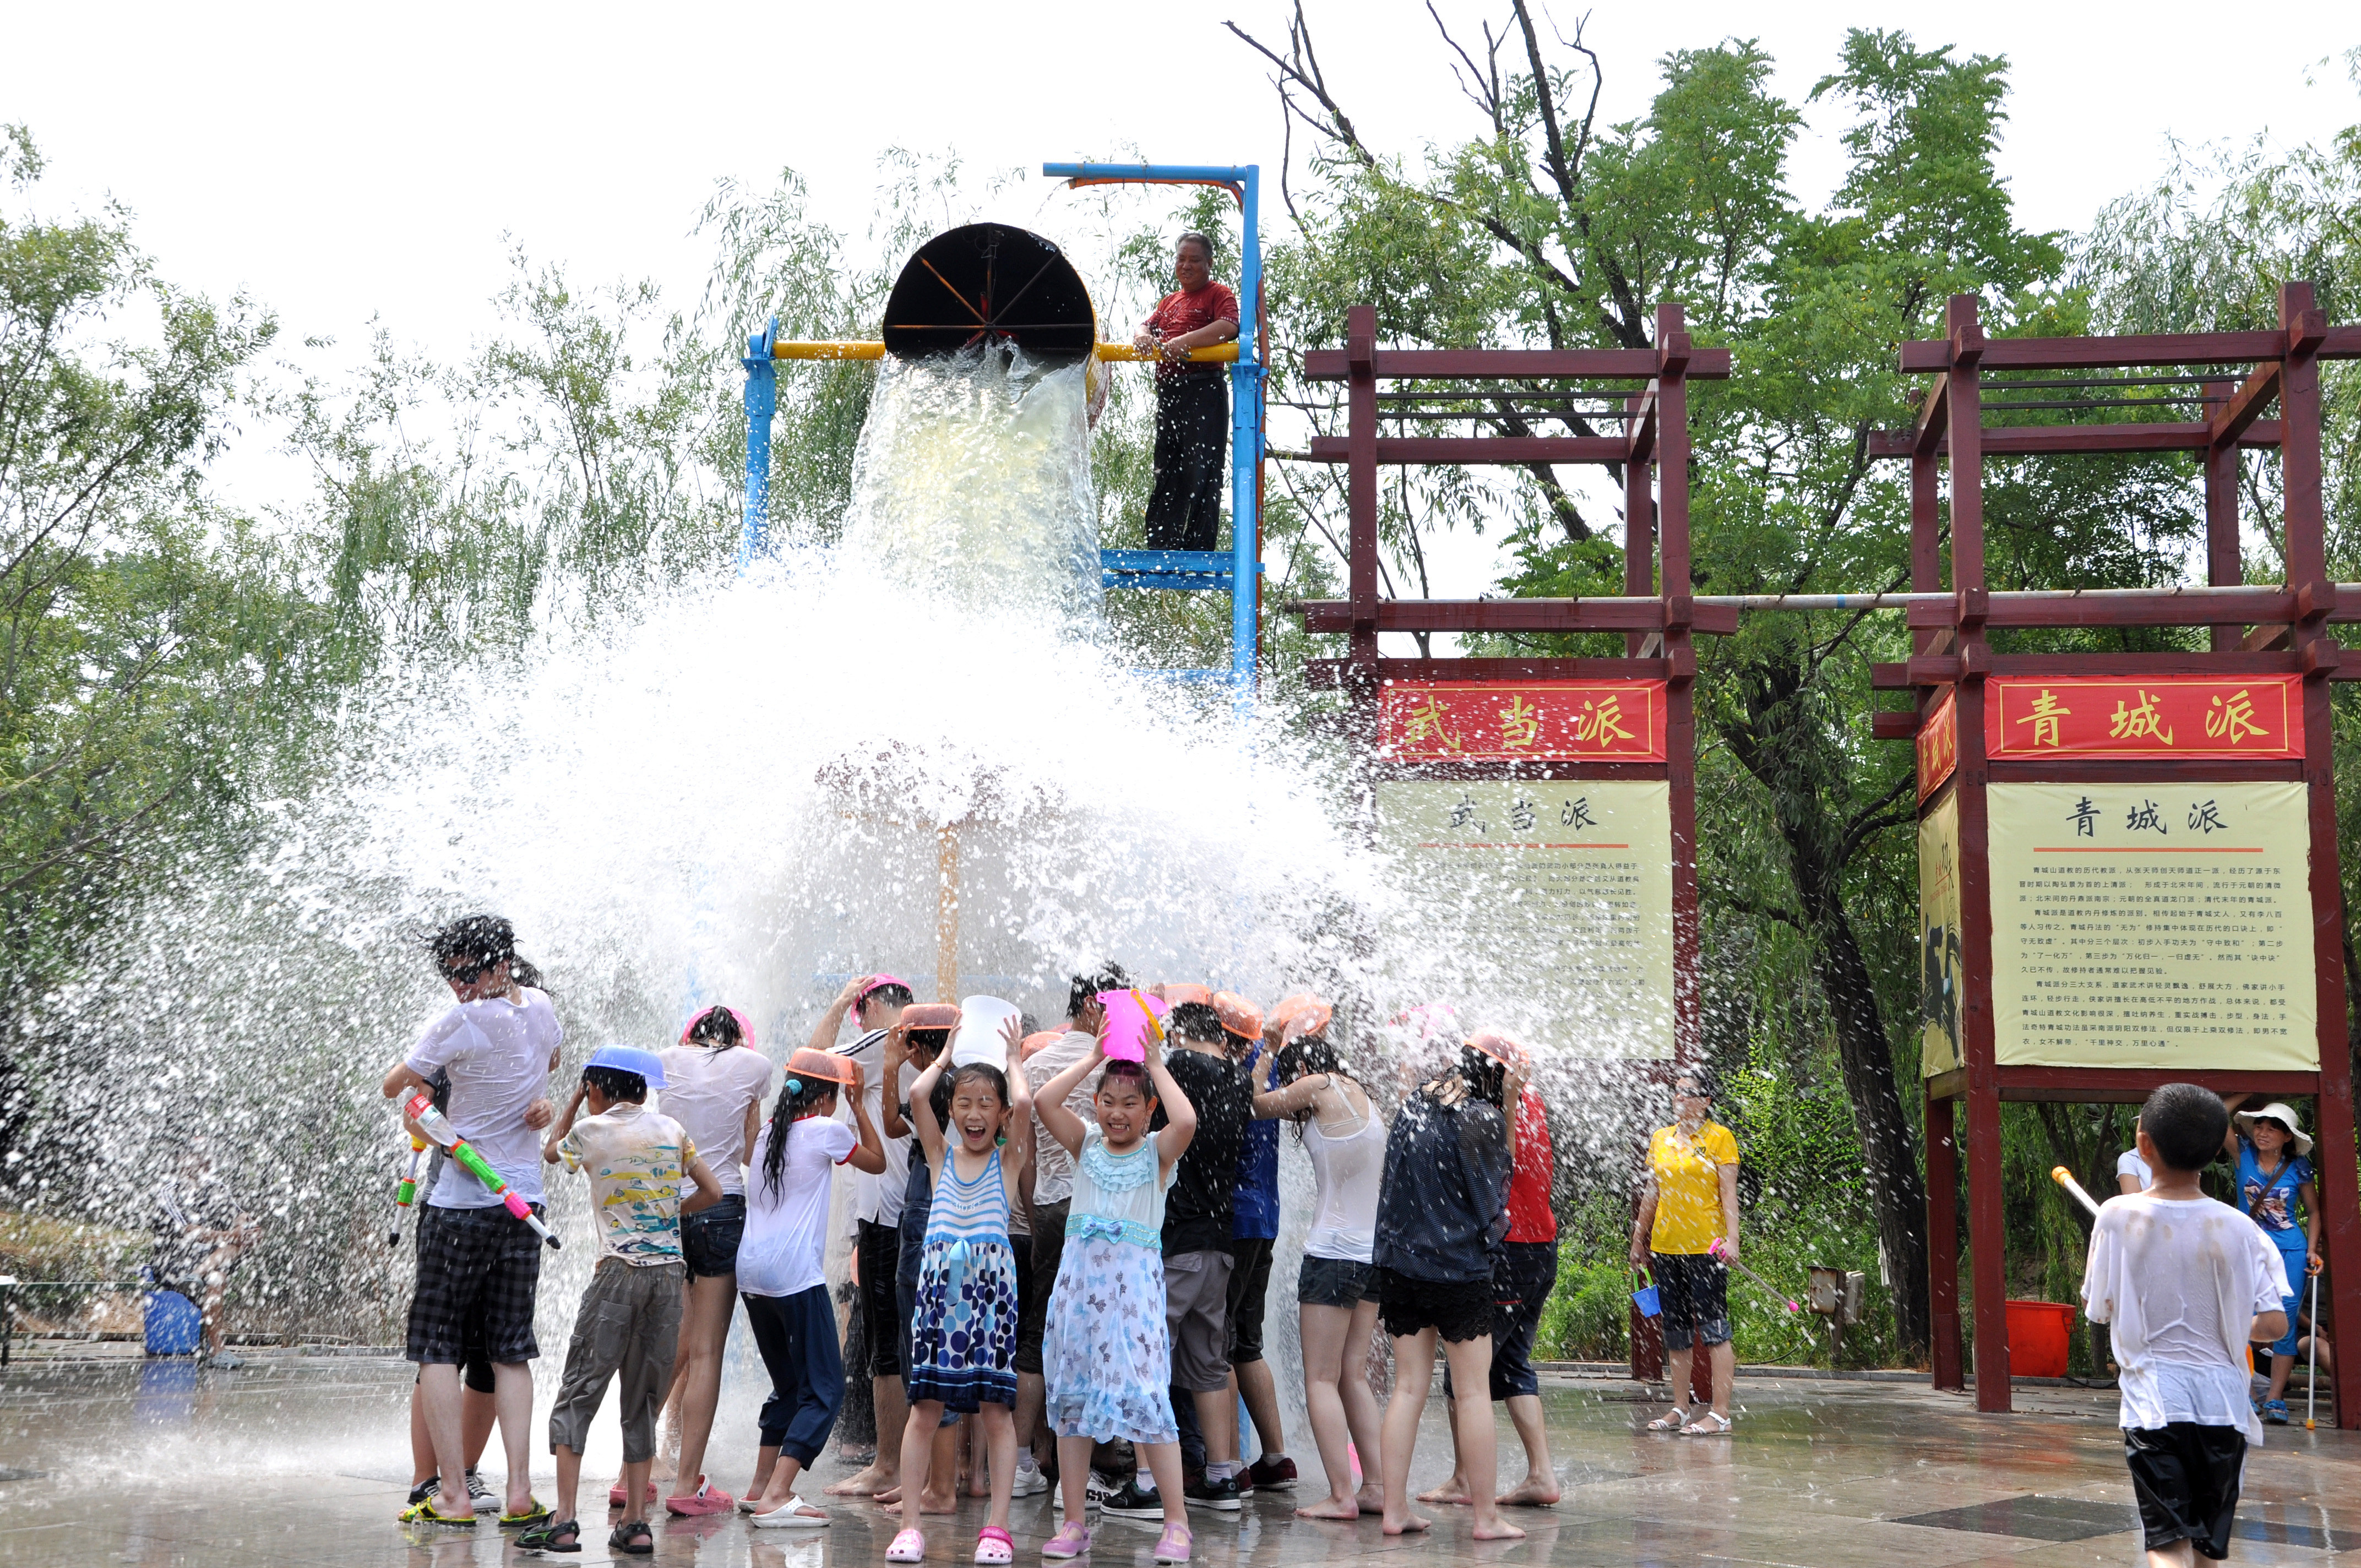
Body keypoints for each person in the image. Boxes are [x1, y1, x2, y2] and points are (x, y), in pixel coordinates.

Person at [382, 914, 562, 1529]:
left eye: (466, 972)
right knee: (510, 1349)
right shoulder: (540, 1007)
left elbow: (393, 1087)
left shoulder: (459, 1023)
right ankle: (507, 1491)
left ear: (500, 966)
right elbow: (553, 1058)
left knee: (440, 1347)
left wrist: (530, 1101)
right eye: (449, 974)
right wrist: (531, 1100)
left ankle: (452, 1492)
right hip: (522, 1205)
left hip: (461, 1206)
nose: (456, 984)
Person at [523, 1046, 723, 1555]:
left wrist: (570, 1102)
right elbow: (715, 1192)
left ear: (596, 1089)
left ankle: (565, 1521)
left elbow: (550, 1153)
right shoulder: (672, 1130)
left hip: (617, 1273)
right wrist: (670, 1215)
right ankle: (635, 1524)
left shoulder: (590, 1132)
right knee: (643, 1400)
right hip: (667, 1278)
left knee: (579, 1392)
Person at [2082, 1084, 2289, 1568]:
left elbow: (2099, 1308)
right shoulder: (2242, 1229)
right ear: (2219, 1148)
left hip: (2155, 1406)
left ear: (2144, 1144)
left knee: (2167, 1547)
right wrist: (2235, 1324)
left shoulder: (2117, 1216)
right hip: (2226, 1410)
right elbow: (2275, 1324)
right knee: (2205, 1553)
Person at [1035, 1023, 1199, 1566]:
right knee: (1073, 1406)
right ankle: (1074, 1521)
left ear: (1148, 1108)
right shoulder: (1084, 1143)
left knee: (1150, 1401)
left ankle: (1176, 1523)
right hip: (1079, 1298)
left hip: (1132, 1304)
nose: (1117, 1112)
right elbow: (1043, 1099)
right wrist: (1092, 1058)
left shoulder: (1157, 1153)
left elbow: (1188, 1120)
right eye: (1108, 1101)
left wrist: (1154, 1063)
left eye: (1130, 1103)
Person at [885, 1019, 1033, 1566]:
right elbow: (919, 1093)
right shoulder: (939, 1156)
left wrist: (1014, 1059)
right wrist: (946, 1054)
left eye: (985, 1104)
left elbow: (1025, 1102)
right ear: (953, 1112)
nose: (974, 1113)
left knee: (996, 1411)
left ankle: (996, 1528)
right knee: (925, 1408)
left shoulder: (1007, 1160)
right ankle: (909, 1525)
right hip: (940, 1298)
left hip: (990, 1298)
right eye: (965, 1103)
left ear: (999, 1116)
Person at [1098, 997, 1251, 1519]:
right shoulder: (1236, 1076)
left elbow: (1141, 1108)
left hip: (1176, 1243)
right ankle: (1222, 1476)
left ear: (1175, 1033)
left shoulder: (1176, 1068)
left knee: (1145, 1361)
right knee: (1209, 1363)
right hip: (1220, 1246)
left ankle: (1145, 1482)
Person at [1370, 1035, 1524, 1542]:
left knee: (1408, 1388)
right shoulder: (1480, 1114)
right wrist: (1508, 1104)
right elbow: (1498, 1186)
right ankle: (1486, 1518)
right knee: (1475, 1392)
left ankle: (1393, 1510)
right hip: (1459, 1271)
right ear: (1499, 1076)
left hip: (1403, 1266)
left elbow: (1392, 1184)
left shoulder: (1418, 1100)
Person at [737, 1046, 886, 1528]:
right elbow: (878, 1162)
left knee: (788, 1385)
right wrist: (861, 1106)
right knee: (824, 1389)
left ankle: (759, 1487)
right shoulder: (826, 1130)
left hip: (752, 1275)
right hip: (795, 1276)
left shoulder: (765, 1136)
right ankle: (779, 1493)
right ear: (827, 1099)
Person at [640, 1003, 776, 1516]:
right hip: (721, 1208)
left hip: (670, 1207)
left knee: (667, 1342)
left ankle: (629, 1472)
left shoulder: (663, 1060)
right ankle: (685, 1485)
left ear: (691, 1034)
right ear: (738, 1037)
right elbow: (748, 1149)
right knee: (705, 1353)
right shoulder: (754, 1066)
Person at [1250, 1007, 1385, 1520]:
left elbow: (1254, 1105)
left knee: (1320, 1380)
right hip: (1371, 1258)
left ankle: (1341, 1496)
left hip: (1331, 1255)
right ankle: (1374, 1485)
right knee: (1354, 1376)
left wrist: (1266, 1050)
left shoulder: (1316, 1086)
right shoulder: (1362, 1096)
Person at [1421, 1032, 1562, 1510]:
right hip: (1541, 1247)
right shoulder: (1530, 1099)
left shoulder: (1499, 1113)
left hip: (1512, 1253)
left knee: (1464, 1372)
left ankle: (1464, 1478)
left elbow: (1502, 1168)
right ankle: (1541, 1475)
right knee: (1512, 1364)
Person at [813, 974, 917, 1502]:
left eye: (859, 1013)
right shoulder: (924, 1044)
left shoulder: (882, 1043)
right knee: (905, 1341)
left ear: (872, 1006)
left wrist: (836, 1003)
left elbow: (811, 1059)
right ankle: (914, 1466)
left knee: (886, 1345)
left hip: (888, 1215)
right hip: (916, 1212)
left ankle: (889, 1465)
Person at [1019, 967, 1123, 1495]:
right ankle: (1095, 1458)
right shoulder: (1117, 1069)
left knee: (1040, 1330)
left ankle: (1023, 1456)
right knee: (1095, 1334)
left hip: (1049, 1209)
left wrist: (1035, 1215)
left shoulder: (1038, 1064)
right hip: (1098, 1215)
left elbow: (1028, 1162)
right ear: (1094, 1007)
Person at [873, 1003, 964, 1519]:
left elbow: (890, 1121)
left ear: (918, 1046)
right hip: (945, 1225)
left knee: (926, 1356)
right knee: (935, 1355)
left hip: (927, 1225)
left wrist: (890, 1070)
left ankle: (939, 1489)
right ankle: (933, 1483)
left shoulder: (937, 1085)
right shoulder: (961, 1084)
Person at [1629, 1070, 1739, 1436]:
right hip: (1666, 1248)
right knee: (1675, 1331)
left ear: (1706, 1101)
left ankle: (1720, 1413)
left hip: (1706, 1249)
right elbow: (1652, 1192)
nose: (1680, 1098)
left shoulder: (1720, 1139)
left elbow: (1728, 1195)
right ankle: (1680, 1407)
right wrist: (1638, 1240)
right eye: (1677, 1092)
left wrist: (1732, 1240)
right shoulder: (1662, 1138)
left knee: (1714, 1330)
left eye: (1689, 1093)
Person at [1215, 990, 1293, 1496]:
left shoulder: (1236, 1077)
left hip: (1236, 1221)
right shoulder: (1272, 1073)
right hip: (1265, 1220)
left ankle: (1228, 1465)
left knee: (1215, 1346)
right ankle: (1276, 1458)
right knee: (1247, 1342)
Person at [1132, 232, 1239, 552]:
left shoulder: (1219, 293)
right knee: (1167, 467)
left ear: (1209, 263)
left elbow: (1230, 327)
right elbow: (1145, 325)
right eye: (1181, 259)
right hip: (1170, 392)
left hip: (1203, 388)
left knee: (1201, 467)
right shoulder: (1169, 301)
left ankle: (1198, 546)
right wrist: (1141, 336)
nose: (1186, 266)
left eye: (1194, 260)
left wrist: (1185, 342)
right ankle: (1162, 543)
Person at [2220, 1097, 2321, 1425]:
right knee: (2244, 1317)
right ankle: (2245, 1392)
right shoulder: (2242, 1155)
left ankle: (2276, 1398)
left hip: (2291, 1250)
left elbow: (2315, 1212)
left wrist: (2312, 1248)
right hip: (2248, 1248)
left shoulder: (2299, 1168)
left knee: (2285, 1319)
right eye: (2259, 1126)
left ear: (2287, 1136)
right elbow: (2218, 1116)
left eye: (2272, 1129)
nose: (2263, 1133)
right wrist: (2247, 1089)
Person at [149, 1147, 258, 1369]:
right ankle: (217, 1349)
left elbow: (241, 1213)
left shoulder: (217, 1187)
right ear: (181, 1159)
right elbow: (190, 1232)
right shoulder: (169, 1191)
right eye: (194, 1155)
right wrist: (231, 1235)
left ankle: (197, 1277)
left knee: (217, 1275)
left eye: (203, 1155)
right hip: (174, 1260)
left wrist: (247, 1228)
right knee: (219, 1271)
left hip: (206, 1260)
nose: (200, 1161)